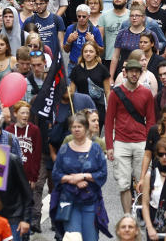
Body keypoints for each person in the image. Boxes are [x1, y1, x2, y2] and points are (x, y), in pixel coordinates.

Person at [105, 58, 155, 214]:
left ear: (140, 73)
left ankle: (141, 213)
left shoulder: (146, 93)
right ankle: (127, 215)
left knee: (142, 182)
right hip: (121, 141)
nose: (134, 74)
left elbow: (151, 121)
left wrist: (150, 144)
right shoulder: (115, 94)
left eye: (137, 71)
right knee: (123, 183)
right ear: (125, 73)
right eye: (131, 71)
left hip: (141, 142)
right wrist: (109, 146)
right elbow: (109, 120)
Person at [50, 113, 109, 241]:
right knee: (73, 238)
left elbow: (103, 174)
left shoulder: (96, 149)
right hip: (68, 201)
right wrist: (72, 180)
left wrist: (84, 176)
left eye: (79, 126)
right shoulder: (64, 149)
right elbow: (56, 174)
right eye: (73, 126)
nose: (76, 129)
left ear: (86, 128)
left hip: (90, 201)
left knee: (90, 238)